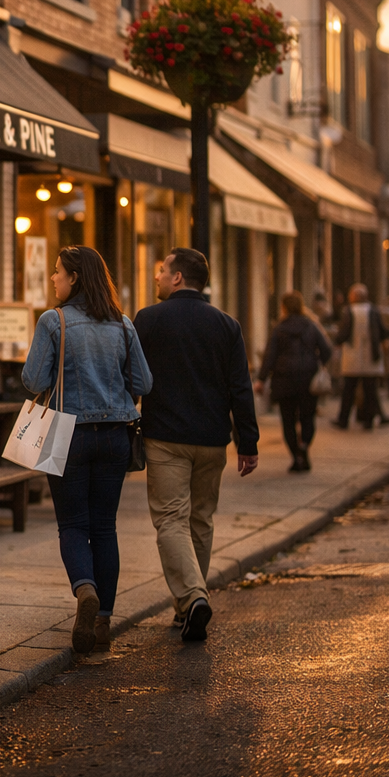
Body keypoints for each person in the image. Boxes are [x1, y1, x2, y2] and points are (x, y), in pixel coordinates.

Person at [21, 246, 152, 655]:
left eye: (58, 272)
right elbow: (143, 383)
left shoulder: (53, 321)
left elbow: (33, 380)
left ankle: (85, 590)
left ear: (74, 277)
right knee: (104, 527)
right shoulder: (123, 324)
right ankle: (102, 623)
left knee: (73, 525)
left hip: (68, 434)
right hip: (115, 436)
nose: (53, 279)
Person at [133, 248, 259, 643]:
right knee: (200, 520)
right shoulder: (226, 324)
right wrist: (248, 442)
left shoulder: (148, 319)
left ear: (177, 278)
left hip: (166, 438)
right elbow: (240, 387)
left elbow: (132, 377)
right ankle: (186, 607)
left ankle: (192, 597)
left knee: (171, 519)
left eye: (162, 270)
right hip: (211, 440)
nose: (157, 276)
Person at [255, 291, 332, 473]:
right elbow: (327, 350)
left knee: (288, 419)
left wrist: (261, 379)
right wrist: (318, 363)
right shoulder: (311, 326)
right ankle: (304, 446)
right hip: (308, 379)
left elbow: (270, 356)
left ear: (284, 307)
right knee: (307, 417)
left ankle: (296, 456)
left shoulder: (279, 328)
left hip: (284, 380)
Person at [333, 284, 389, 431]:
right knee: (370, 390)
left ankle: (343, 419)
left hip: (352, 357)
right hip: (370, 356)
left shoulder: (349, 311)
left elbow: (344, 332)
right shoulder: (373, 310)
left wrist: (337, 341)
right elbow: (383, 330)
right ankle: (368, 421)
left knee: (348, 390)